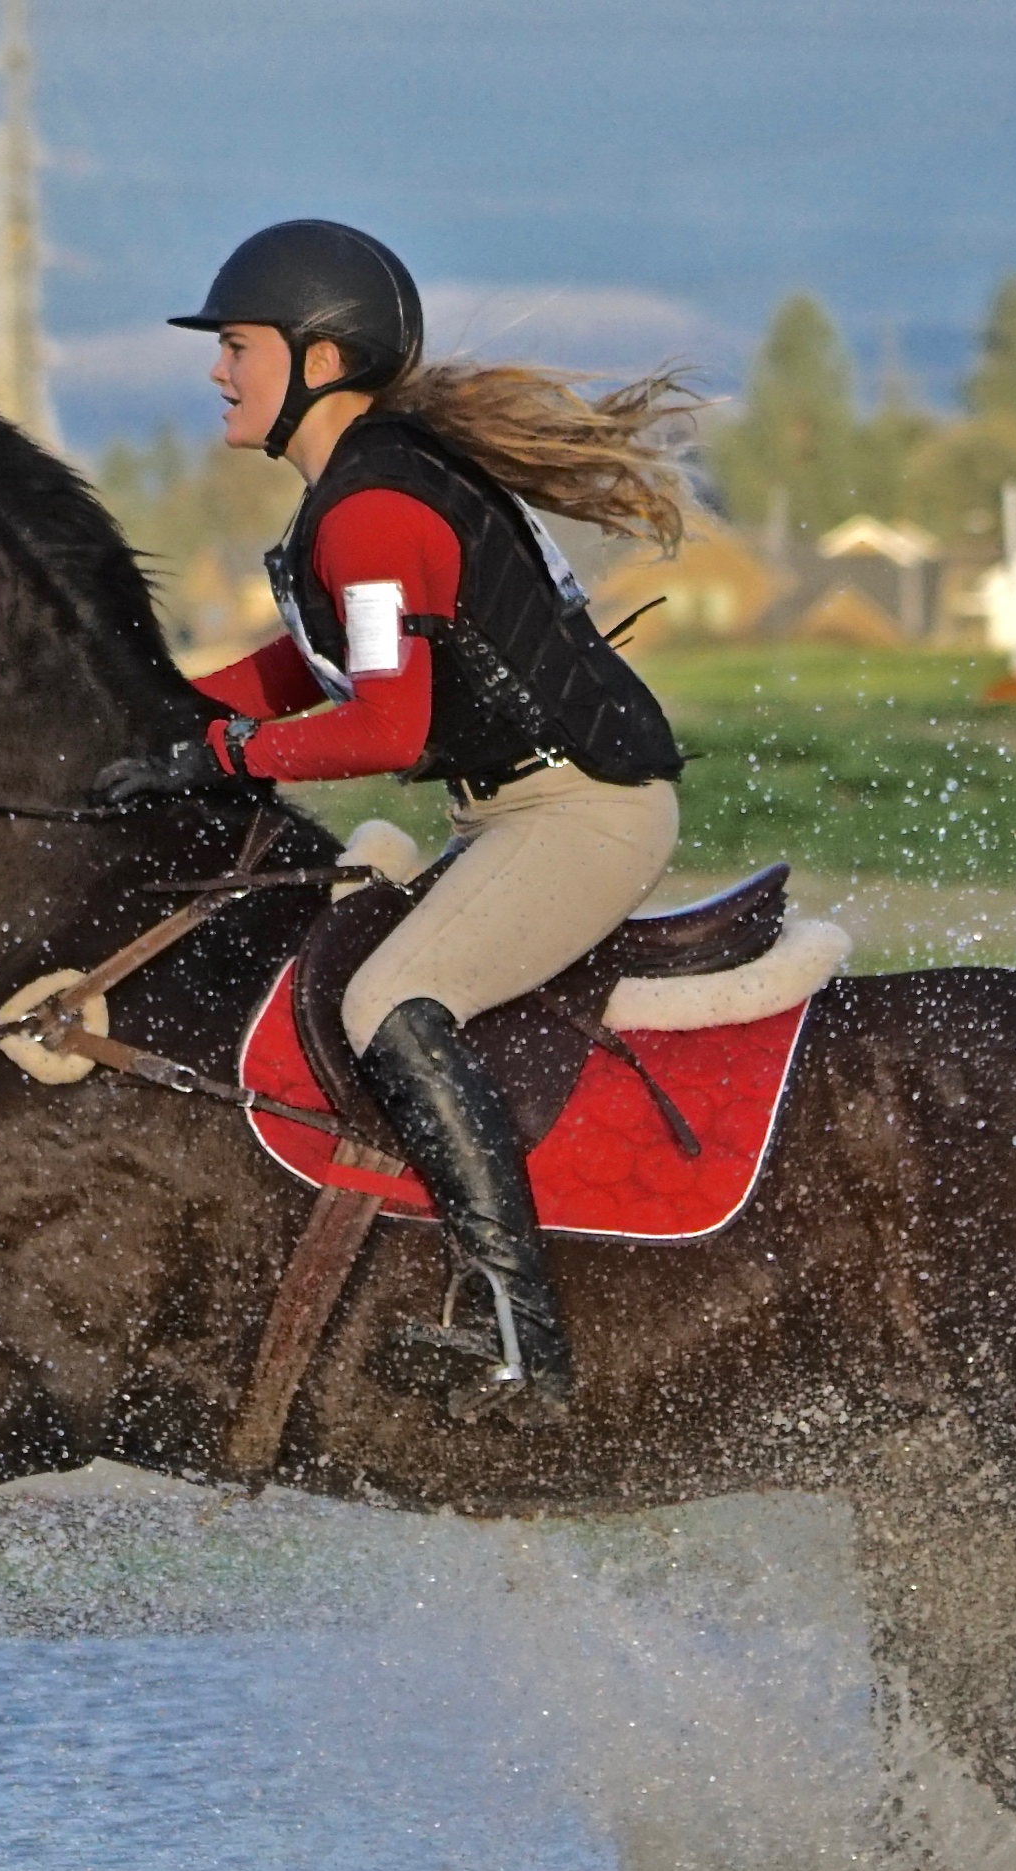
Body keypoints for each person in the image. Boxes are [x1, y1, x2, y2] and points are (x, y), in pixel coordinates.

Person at [92, 220, 692, 1420]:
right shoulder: (364, 483)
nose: (219, 371)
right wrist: (160, 714)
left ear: (321, 360)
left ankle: (525, 1341)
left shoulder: (372, 508)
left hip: (581, 815)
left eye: (241, 348)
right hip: (527, 810)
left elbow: (387, 730)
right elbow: (318, 665)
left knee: (389, 1003)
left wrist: (221, 753)